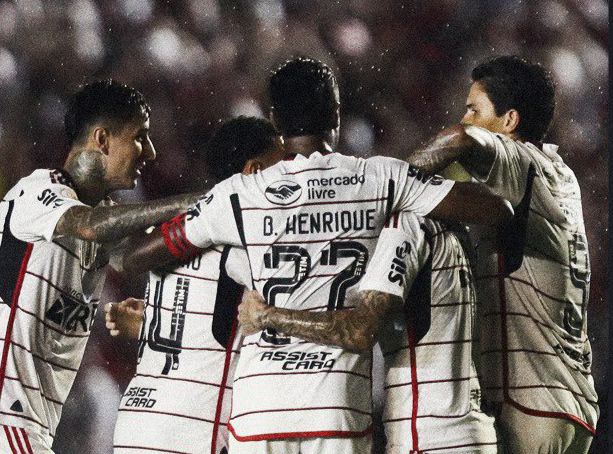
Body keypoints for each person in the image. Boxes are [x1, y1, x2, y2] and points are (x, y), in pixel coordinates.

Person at [121, 57, 513, 454]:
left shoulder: (238, 196)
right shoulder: (379, 178)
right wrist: (404, 195)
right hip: (336, 407)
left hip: (260, 407)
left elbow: (134, 257)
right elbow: (495, 208)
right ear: (336, 115)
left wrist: (206, 207)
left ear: (275, 120)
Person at [405, 56, 598, 454]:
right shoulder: (560, 173)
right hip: (569, 402)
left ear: (509, 121)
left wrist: (393, 185)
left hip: (528, 408)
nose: (465, 117)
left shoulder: (522, 162)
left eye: (475, 109)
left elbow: (459, 140)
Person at [0, 79, 202, 453]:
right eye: (140, 136)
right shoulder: (38, 192)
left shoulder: (103, 220)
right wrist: (200, 202)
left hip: (33, 426)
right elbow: (91, 228)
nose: (151, 152)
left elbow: (130, 256)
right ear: (103, 140)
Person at [238, 209, 500, 454]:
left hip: (429, 433)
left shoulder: (406, 225)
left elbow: (361, 330)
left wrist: (265, 315)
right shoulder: (456, 232)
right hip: (473, 430)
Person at [106, 116, 285, 454]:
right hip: (191, 432)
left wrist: (145, 324)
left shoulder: (169, 236)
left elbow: (193, 323)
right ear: (254, 172)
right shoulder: (246, 244)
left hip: (137, 423)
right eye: (283, 165)